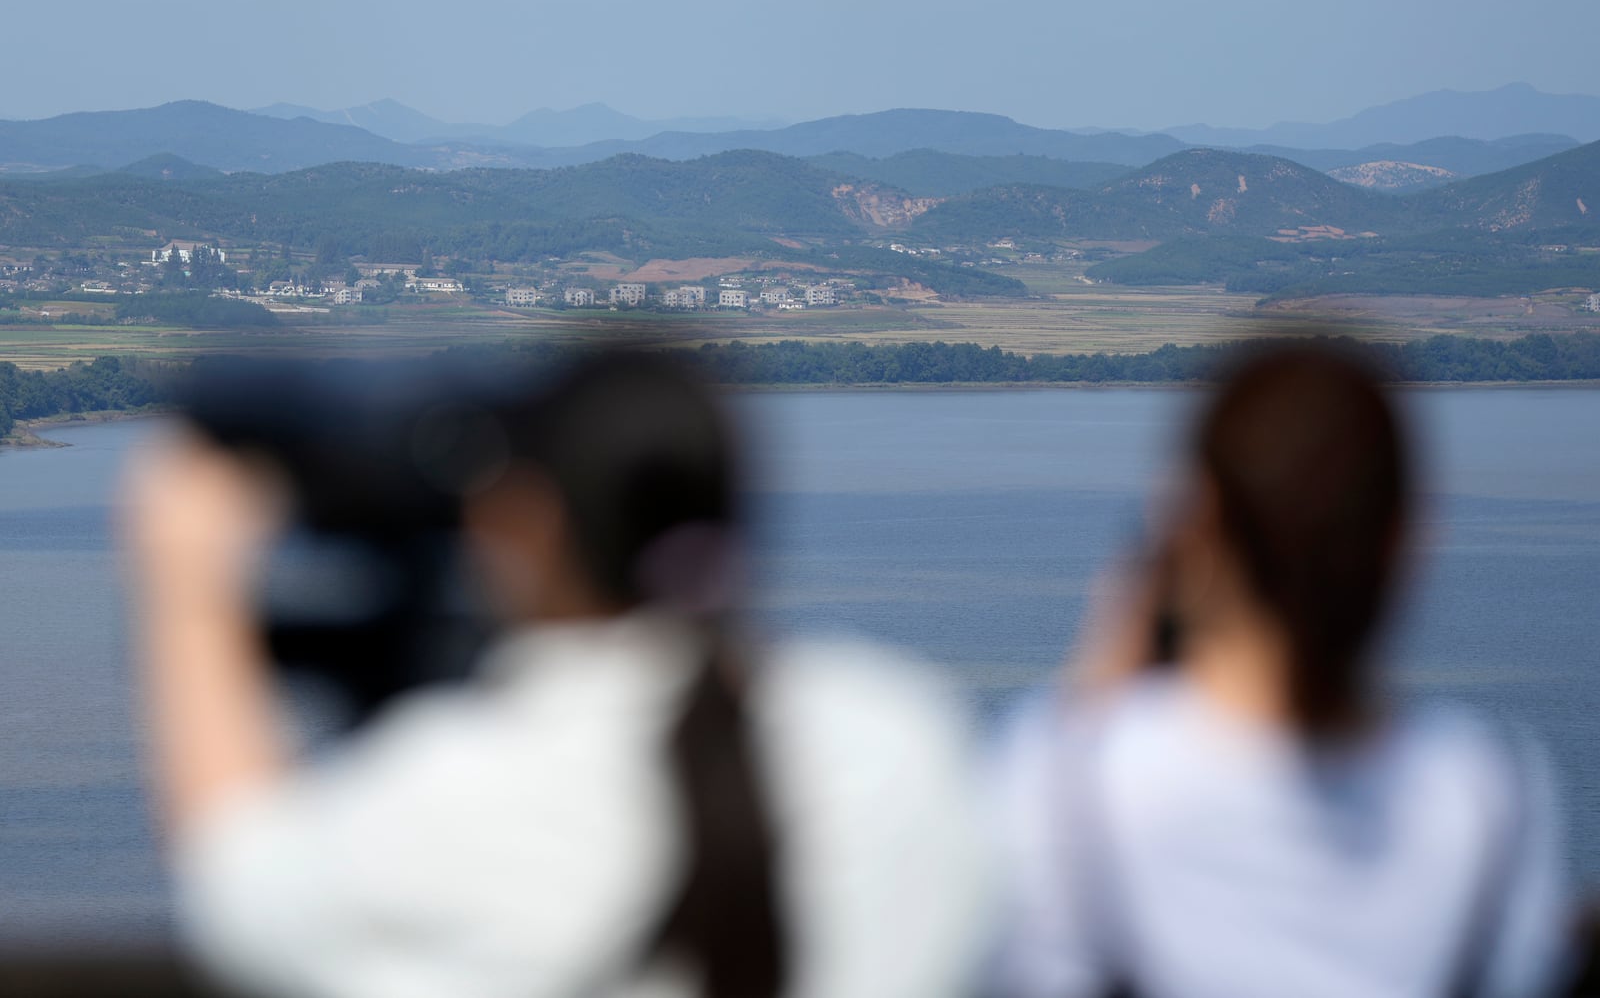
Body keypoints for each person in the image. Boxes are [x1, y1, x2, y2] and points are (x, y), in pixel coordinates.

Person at [125, 351, 991, 998]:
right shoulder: (901, 737)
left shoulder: (466, 792)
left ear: (528, 526)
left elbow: (237, 881)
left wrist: (189, 586)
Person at [989, 342, 1573, 998]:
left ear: (1198, 525)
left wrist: (1104, 668)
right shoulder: (1488, 797)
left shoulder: (1070, 783)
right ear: (1403, 536)